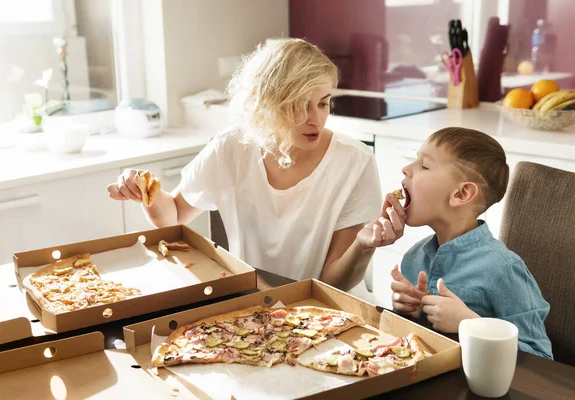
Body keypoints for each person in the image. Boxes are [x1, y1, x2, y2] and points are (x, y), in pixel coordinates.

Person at [107, 38, 405, 292]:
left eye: (323, 103)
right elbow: (174, 213)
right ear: (268, 104)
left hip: (325, 311)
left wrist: (364, 246)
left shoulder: (353, 161)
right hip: (251, 302)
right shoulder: (232, 148)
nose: (315, 118)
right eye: (299, 105)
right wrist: (144, 188)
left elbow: (332, 283)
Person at [390, 127, 553, 359]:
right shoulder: (413, 257)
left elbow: (541, 357)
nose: (406, 169)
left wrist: (471, 324)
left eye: (424, 166)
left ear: (461, 194)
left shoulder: (504, 269)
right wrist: (407, 311)